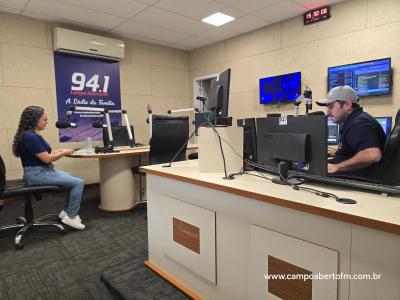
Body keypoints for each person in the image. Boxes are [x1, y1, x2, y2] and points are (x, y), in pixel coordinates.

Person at [12, 106, 85, 230]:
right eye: (44, 120)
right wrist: (64, 153)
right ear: (35, 120)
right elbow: (47, 159)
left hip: (43, 171)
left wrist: (62, 150)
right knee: (78, 183)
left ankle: (66, 212)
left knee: (76, 178)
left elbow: (44, 153)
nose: (47, 122)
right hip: (36, 175)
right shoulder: (30, 136)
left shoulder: (34, 134)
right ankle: (71, 217)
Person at [316, 85, 386, 175]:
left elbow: (373, 155)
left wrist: (336, 167)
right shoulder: (354, 120)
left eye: (331, 106)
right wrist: (331, 153)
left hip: (356, 179)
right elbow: (353, 150)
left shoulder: (359, 123)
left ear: (347, 105)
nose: (328, 112)